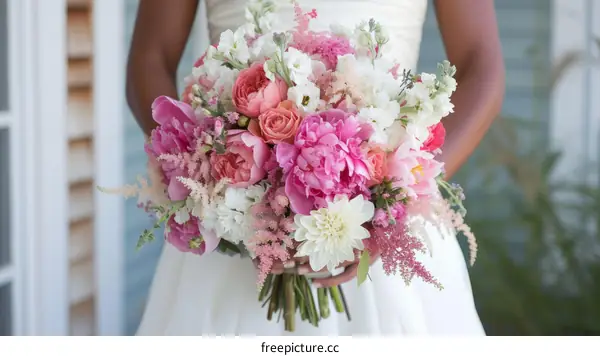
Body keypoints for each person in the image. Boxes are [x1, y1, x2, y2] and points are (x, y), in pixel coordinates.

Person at [126, 0, 505, 336]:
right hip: (226, 208)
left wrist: (395, 198)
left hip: (387, 219)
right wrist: (207, 166)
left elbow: (480, 63)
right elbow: (150, 57)